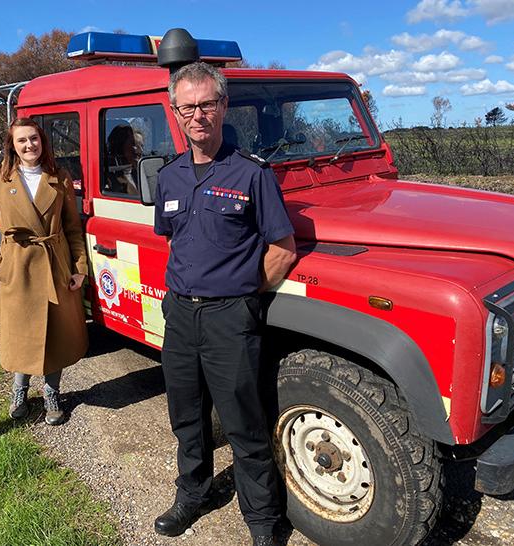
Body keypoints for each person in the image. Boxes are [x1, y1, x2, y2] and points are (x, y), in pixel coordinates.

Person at [153, 62, 297, 546]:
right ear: (175, 112)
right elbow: (174, 240)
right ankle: (193, 494)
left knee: (244, 424)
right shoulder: (169, 176)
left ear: (223, 107)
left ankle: (262, 521)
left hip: (229, 318)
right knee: (186, 416)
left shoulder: (252, 174)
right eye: (187, 106)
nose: (198, 115)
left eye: (206, 105)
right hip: (180, 315)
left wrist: (244, 299)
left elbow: (282, 249)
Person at [0, 117, 88, 426]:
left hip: (55, 265)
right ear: (12, 145)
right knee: (21, 332)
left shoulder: (59, 177)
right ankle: (20, 388)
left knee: (56, 334)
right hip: (18, 267)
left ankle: (52, 392)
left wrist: (79, 268)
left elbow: (73, 229)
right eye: (22, 140)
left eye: (34, 139)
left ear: (42, 142)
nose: (29, 145)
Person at [106, 123, 141, 196]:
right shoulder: (109, 175)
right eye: (133, 144)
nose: (138, 150)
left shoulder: (136, 170)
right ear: (120, 146)